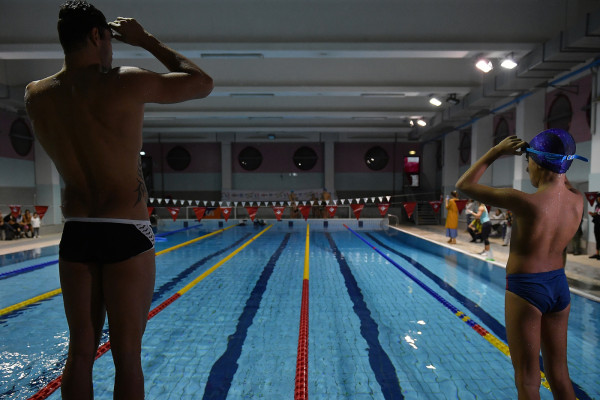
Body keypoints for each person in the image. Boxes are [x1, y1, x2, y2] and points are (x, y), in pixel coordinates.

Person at [24, 2, 213, 399]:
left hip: (76, 232)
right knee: (127, 356)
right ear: (97, 35)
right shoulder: (126, 81)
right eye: (109, 40)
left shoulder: (36, 95)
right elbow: (200, 81)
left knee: (79, 353)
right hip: (125, 230)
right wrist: (146, 41)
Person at [456, 129, 589, 399]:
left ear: (538, 163)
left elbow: (464, 185)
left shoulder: (524, 202)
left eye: (528, 161)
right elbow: (561, 174)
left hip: (527, 289)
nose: (527, 167)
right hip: (559, 288)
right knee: (560, 374)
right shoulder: (577, 199)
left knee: (528, 379)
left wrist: (496, 152)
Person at [590, 193, 600, 259]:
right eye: (598, 198)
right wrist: (593, 214)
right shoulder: (597, 205)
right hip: (597, 223)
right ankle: (597, 253)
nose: (598, 199)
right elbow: (597, 214)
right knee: (597, 238)